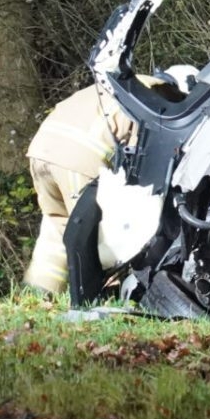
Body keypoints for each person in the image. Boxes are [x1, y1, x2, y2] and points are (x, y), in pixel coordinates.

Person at [24, 67, 196, 295]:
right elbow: (147, 152)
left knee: (58, 224)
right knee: (100, 235)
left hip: (41, 151)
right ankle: (101, 297)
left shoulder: (129, 84)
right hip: (78, 157)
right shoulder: (159, 95)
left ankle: (40, 292)